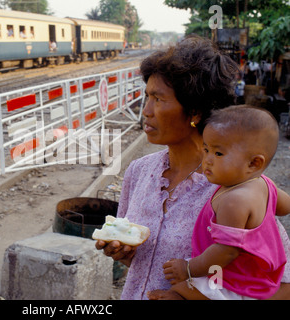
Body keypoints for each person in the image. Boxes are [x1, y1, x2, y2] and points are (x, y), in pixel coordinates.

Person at [95, 35, 290, 300]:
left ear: (195, 111)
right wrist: (124, 252)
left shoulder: (237, 189)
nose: (146, 111)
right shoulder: (139, 171)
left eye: (158, 99)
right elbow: (143, 263)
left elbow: (282, 284)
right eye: (146, 97)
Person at [158, 105, 290, 300]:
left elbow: (225, 253)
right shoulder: (263, 184)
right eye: (206, 149)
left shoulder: (235, 201)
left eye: (218, 154)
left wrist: (187, 268)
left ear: (254, 163)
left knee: (181, 290)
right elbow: (285, 206)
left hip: (234, 284)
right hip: (259, 278)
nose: (208, 160)